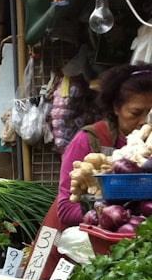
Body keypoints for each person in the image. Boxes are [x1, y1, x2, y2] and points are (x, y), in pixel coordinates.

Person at [55, 63, 152, 227]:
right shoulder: (90, 139)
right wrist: (114, 212)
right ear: (116, 108)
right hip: (101, 245)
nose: (144, 121)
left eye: (151, 113)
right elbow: (66, 209)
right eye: (135, 113)